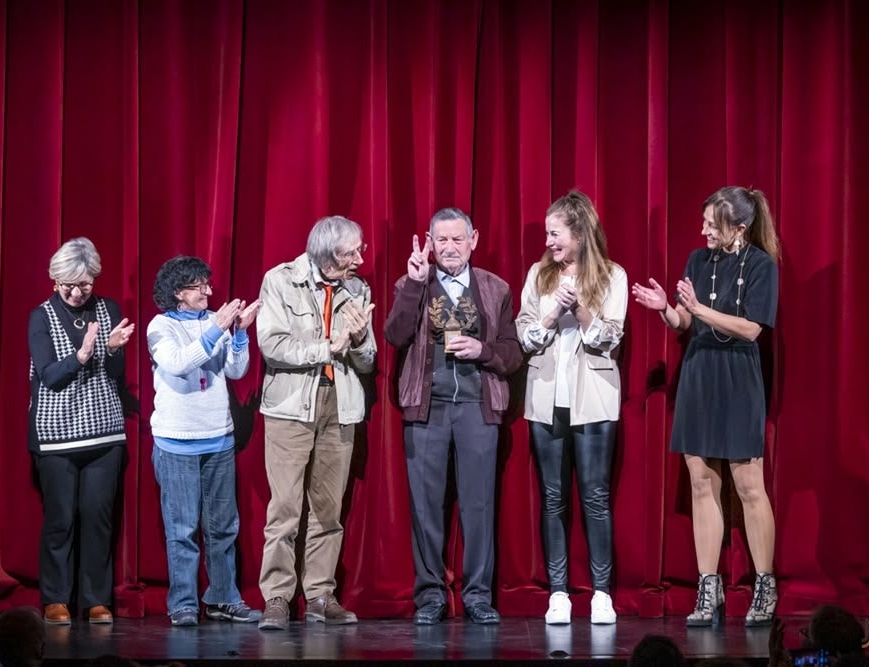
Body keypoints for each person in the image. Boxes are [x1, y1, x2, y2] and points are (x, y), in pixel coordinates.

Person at [632, 186, 781, 627]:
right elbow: (685, 319)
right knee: (701, 482)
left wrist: (699, 309)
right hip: (699, 375)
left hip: (737, 378)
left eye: (710, 224)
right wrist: (667, 311)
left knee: (748, 483)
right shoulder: (699, 261)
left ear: (738, 227)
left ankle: (765, 584)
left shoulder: (761, 266)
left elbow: (752, 328)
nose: (702, 231)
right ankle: (708, 586)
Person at [383, 207, 522, 625]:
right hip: (427, 409)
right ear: (429, 242)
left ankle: (478, 596)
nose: (448, 248)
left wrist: (485, 352)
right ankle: (430, 597)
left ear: (473, 240)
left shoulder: (495, 288)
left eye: (457, 239)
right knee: (426, 507)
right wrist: (414, 284)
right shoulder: (414, 284)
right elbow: (395, 335)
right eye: (440, 240)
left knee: (478, 506)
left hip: (478, 410)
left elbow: (514, 354)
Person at [255, 216, 377, 630]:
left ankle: (321, 594)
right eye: (351, 252)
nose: (361, 259)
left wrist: (359, 340)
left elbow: (367, 360)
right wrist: (329, 347)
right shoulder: (281, 280)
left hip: (340, 407)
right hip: (291, 408)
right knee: (285, 509)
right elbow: (272, 344)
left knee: (328, 510)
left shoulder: (357, 289)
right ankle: (277, 597)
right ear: (327, 256)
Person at [515, 191, 627, 625]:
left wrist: (578, 308)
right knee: (553, 497)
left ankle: (601, 593)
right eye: (547, 234)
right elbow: (524, 335)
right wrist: (548, 317)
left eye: (555, 233)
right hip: (546, 400)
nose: (550, 242)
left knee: (595, 498)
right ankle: (557, 592)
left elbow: (610, 338)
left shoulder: (612, 276)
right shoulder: (539, 275)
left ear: (579, 233)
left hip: (594, 401)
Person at [147, 256, 262, 627]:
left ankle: (223, 598)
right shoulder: (159, 326)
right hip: (176, 440)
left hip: (218, 437)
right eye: (200, 287)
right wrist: (217, 328)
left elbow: (236, 370)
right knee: (181, 529)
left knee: (223, 526)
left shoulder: (216, 321)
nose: (209, 292)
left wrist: (240, 333)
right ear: (179, 293)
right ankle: (183, 603)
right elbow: (178, 362)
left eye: (208, 285)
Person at [28, 238, 135, 625]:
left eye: (85, 285)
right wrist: (83, 355)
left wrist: (114, 350)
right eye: (68, 285)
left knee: (97, 517)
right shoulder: (41, 316)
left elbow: (117, 378)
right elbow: (49, 377)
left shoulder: (107, 309)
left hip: (104, 434)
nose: (76, 292)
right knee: (61, 519)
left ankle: (96, 599)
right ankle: (56, 599)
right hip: (56, 435)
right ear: (54, 280)